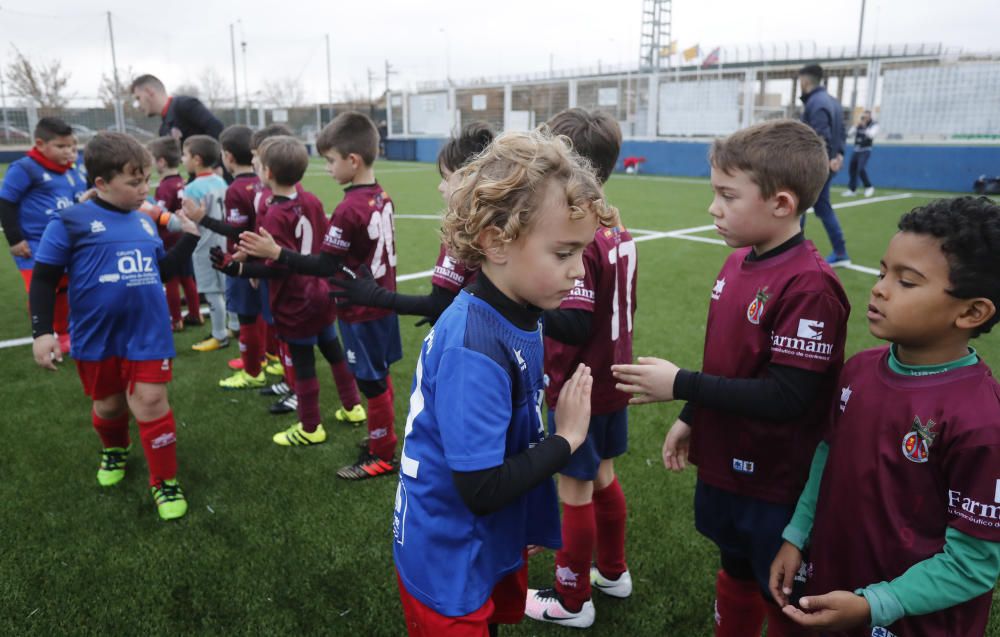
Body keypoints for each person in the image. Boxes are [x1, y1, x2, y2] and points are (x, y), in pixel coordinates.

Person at [612, 119, 851, 637]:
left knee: (783, 590)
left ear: (782, 204)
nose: (713, 208)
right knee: (736, 565)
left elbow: (789, 396)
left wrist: (681, 385)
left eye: (727, 195)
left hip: (776, 479)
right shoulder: (737, 262)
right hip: (727, 460)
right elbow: (730, 361)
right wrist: (691, 415)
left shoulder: (810, 286)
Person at [393, 128, 616, 636]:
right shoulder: (474, 347)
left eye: (582, 252)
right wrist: (567, 440)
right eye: (563, 253)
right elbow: (481, 488)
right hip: (447, 552)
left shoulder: (522, 311)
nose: (579, 271)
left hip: (482, 534)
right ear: (496, 242)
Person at [769, 197, 1000, 636]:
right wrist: (797, 534)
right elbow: (827, 453)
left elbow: (972, 564)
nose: (879, 288)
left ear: (972, 312)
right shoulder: (858, 369)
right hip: (833, 586)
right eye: (882, 272)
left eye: (907, 282)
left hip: (910, 622)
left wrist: (876, 603)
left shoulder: (983, 422)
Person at [28, 132, 200, 520]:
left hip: (148, 331)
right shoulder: (70, 222)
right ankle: (114, 449)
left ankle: (164, 481)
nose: (145, 190)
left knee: (152, 401)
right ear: (102, 183)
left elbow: (158, 272)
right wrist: (43, 332)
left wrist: (188, 239)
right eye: (134, 182)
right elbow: (43, 279)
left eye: (146, 180)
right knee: (108, 406)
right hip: (97, 335)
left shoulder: (144, 223)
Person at [523, 108, 637, 628]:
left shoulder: (582, 232)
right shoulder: (616, 221)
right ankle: (612, 571)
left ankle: (573, 600)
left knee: (574, 488)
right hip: (613, 373)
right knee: (603, 478)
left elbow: (572, 322)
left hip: (581, 384)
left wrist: (525, 303)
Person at [238, 112, 398, 480]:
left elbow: (325, 265)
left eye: (330, 161)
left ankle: (383, 453)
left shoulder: (347, 208)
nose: (327, 169)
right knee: (378, 375)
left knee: (371, 382)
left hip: (361, 309)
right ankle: (382, 438)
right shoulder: (382, 195)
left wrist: (278, 254)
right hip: (381, 301)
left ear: (352, 161)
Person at [211, 135, 361, 447]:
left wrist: (238, 269)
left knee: (304, 363)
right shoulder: (311, 200)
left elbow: (277, 267)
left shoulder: (274, 213)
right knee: (333, 351)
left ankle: (310, 427)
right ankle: (353, 406)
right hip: (321, 291)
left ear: (266, 173)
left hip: (295, 298)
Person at [328, 121, 494, 324]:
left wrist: (376, 296)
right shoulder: (497, 224)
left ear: (469, 178)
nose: (440, 187)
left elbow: (439, 302)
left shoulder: (464, 231)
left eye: (446, 177)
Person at [0, 117, 88, 353]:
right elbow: (6, 202)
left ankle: (65, 331)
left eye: (71, 145)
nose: (68, 151)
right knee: (43, 287)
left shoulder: (75, 168)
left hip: (69, 240)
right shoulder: (24, 168)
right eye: (61, 146)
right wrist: (15, 239)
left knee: (66, 286)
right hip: (35, 243)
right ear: (40, 144)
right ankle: (46, 334)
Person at [147, 136, 201, 332]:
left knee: (172, 281)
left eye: (153, 159)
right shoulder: (182, 182)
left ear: (161, 161)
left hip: (170, 240)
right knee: (188, 279)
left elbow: (158, 214)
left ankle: (176, 319)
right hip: (185, 236)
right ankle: (196, 314)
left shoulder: (164, 187)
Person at [181, 135, 229, 352]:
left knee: (212, 291)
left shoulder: (192, 188)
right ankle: (234, 327)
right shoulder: (221, 181)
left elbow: (190, 218)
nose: (183, 159)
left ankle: (219, 335)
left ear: (197, 159)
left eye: (185, 155)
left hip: (205, 244)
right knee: (228, 287)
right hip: (225, 240)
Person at [798, 64, 849, 266]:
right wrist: (839, 155)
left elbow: (821, 134)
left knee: (798, 206)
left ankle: (793, 253)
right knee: (820, 207)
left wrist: (827, 158)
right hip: (827, 163)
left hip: (817, 165)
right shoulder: (833, 102)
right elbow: (842, 132)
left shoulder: (816, 103)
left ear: (804, 81)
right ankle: (840, 251)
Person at [130, 74, 224, 143]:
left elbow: (216, 127)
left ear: (149, 92)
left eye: (138, 98)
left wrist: (214, 164)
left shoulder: (185, 105)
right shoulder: (163, 129)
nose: (138, 105)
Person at [842, 110, 879, 198]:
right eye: (863, 117)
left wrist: (864, 126)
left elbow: (871, 135)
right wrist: (855, 126)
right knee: (852, 169)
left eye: (866, 117)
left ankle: (869, 187)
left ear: (870, 117)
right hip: (856, 149)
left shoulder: (874, 125)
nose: (864, 119)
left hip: (866, 149)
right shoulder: (858, 124)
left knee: (861, 168)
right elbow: (849, 134)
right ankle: (852, 189)